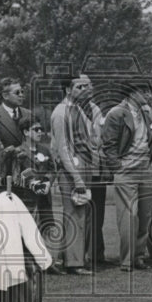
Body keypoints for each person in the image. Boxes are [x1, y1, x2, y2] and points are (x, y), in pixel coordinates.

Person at [50, 74, 103, 275]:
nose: (83, 90)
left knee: (82, 213)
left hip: (84, 166)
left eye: (84, 86)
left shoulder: (78, 109)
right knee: (74, 214)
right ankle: (74, 264)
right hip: (72, 169)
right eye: (79, 87)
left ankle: (71, 258)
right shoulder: (61, 112)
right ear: (68, 90)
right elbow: (62, 148)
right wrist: (77, 177)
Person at [102, 81, 152, 271]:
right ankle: (126, 260)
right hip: (126, 170)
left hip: (146, 169)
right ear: (133, 93)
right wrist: (118, 166)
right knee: (128, 216)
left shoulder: (147, 112)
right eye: (144, 91)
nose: (148, 95)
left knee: (145, 215)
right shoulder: (116, 113)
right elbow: (108, 145)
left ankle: (138, 257)